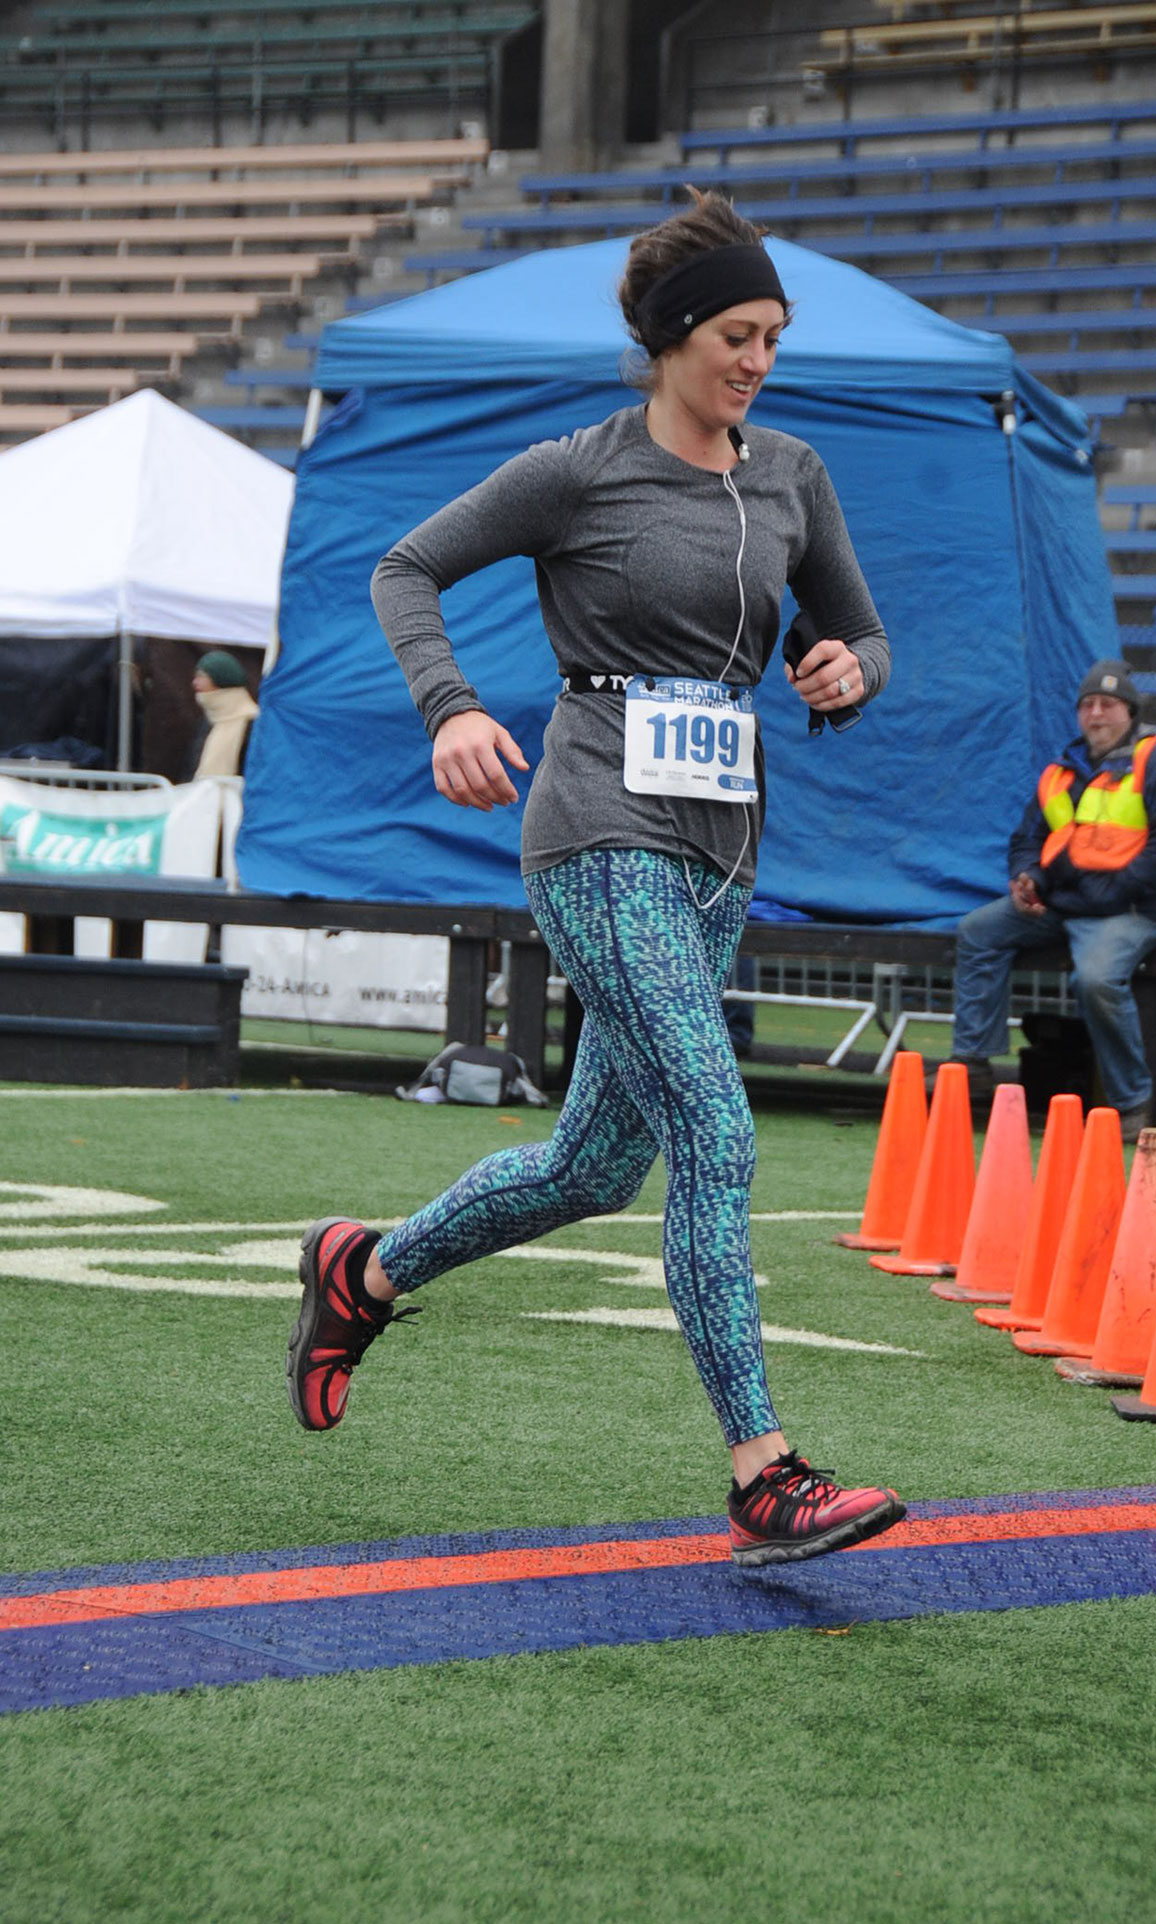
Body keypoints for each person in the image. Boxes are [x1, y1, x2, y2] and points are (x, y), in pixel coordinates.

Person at [285, 191, 906, 1566]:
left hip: (720, 853)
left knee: (591, 1168)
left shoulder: (793, 476)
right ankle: (764, 1472)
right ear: (676, 337)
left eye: (774, 337)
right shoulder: (580, 468)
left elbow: (860, 634)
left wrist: (847, 673)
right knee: (718, 1123)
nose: (759, 359)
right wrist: (449, 705)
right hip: (593, 827)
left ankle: (363, 1271)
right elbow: (407, 569)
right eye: (738, 334)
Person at [947, 659, 1156, 1141]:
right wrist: (1026, 878)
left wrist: (1121, 886)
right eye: (1087, 705)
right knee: (978, 931)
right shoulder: (1060, 773)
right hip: (1066, 905)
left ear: (1130, 712)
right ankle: (974, 1063)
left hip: (1134, 910)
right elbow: (1028, 839)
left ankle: (1132, 1102)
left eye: (1108, 704)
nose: (1096, 714)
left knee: (1097, 978)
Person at [186, 650, 259, 781]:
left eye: (201, 676)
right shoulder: (207, 721)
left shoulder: (253, 724)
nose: (195, 683)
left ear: (220, 678)